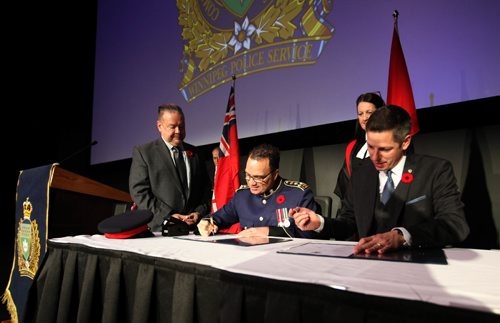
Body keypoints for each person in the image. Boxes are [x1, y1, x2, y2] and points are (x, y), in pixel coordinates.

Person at [290, 105, 469, 254]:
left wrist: (401, 236)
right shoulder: (361, 172)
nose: (375, 157)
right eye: (370, 147)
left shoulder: (435, 171)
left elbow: (455, 225)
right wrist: (319, 223)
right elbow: (348, 223)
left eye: (384, 149)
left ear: (405, 142)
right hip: (368, 267)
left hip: (417, 266)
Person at [197, 143, 319, 238]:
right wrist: (206, 222)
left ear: (275, 174)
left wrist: (268, 231)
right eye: (248, 175)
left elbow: (311, 235)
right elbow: (218, 218)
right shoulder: (242, 196)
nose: (251, 182)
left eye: (259, 177)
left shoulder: (298, 194)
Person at [129, 103, 211, 232]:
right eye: (172, 127)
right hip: (160, 229)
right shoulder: (144, 152)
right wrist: (168, 216)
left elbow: (205, 189)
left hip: (192, 229)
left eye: (181, 126)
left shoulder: (196, 153)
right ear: (159, 126)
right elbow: (140, 193)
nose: (178, 131)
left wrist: (198, 212)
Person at [334, 92, 385, 201]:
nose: (364, 118)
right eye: (360, 113)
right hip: (357, 208)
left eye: (369, 112)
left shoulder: (392, 143)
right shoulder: (352, 147)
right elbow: (346, 183)